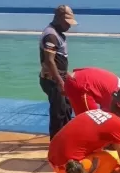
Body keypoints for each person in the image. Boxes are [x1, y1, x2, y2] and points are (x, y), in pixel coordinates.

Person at [64, 67, 120, 154]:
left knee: (97, 123)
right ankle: (85, 154)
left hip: (80, 76)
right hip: (81, 86)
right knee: (91, 124)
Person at [39, 5, 77, 140]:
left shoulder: (58, 34)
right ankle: (56, 143)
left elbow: (59, 59)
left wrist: (65, 75)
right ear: (59, 18)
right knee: (58, 112)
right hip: (53, 80)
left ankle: (66, 138)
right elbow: (49, 61)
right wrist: (60, 81)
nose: (69, 26)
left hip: (59, 78)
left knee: (66, 108)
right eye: (67, 23)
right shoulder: (51, 36)